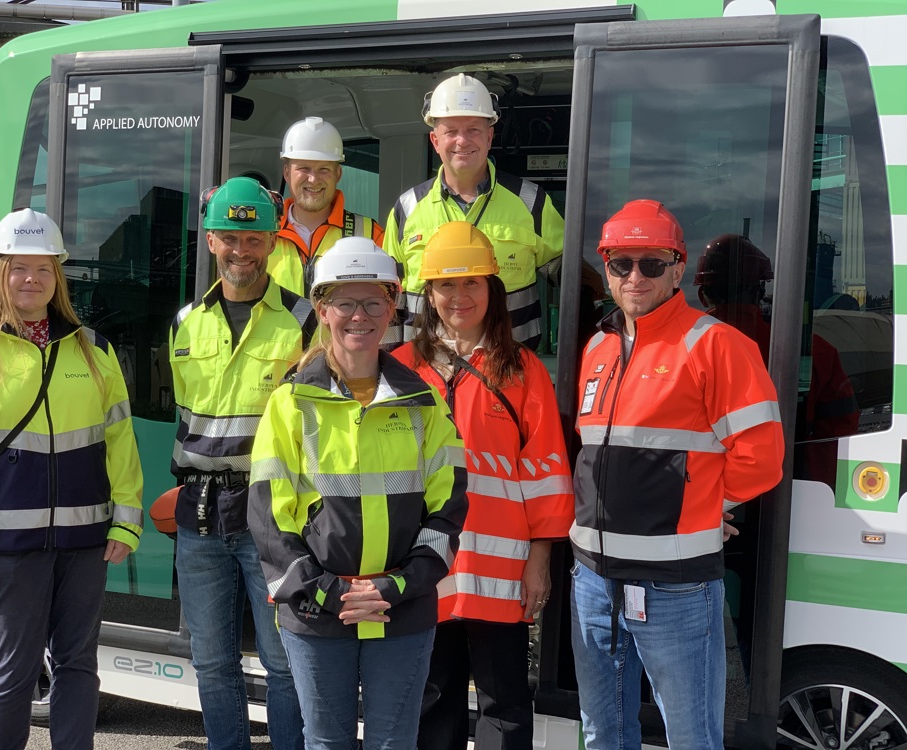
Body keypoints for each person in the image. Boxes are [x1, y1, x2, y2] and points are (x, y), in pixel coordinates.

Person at [0, 208, 144, 750]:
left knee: (78, 666)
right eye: (19, 267)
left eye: (43, 269)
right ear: (0, 270)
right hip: (7, 547)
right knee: (11, 674)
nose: (31, 279)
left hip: (85, 543)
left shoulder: (96, 350)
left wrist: (125, 525)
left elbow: (120, 443)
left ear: (58, 276)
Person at [569, 200, 784, 749]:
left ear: (678, 269)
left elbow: (762, 458)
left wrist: (703, 506)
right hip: (593, 579)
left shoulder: (716, 345)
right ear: (607, 268)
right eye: (621, 264)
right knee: (602, 733)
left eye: (652, 263)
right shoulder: (597, 348)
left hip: (674, 585)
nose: (635, 276)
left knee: (691, 736)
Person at [247, 236, 468, 750]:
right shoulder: (289, 403)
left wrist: (394, 587)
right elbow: (268, 520)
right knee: (327, 743)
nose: (359, 316)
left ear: (392, 306)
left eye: (373, 301)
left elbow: (448, 510)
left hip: (402, 609)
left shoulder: (424, 402)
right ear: (322, 309)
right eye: (345, 302)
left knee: (395, 743)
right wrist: (330, 591)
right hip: (316, 612)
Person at [392, 221, 574, 750]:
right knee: (432, 700)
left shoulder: (523, 371)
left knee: (506, 706)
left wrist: (541, 557)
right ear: (428, 293)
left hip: (500, 572)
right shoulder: (401, 369)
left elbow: (545, 472)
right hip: (423, 567)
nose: (459, 296)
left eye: (473, 282)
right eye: (446, 284)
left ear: (493, 289)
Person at [170, 177, 313, 750]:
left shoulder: (303, 319)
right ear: (210, 241)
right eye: (230, 238)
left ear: (272, 243)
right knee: (211, 664)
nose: (241, 252)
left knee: (284, 664)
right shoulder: (185, 322)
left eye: (253, 239)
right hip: (198, 516)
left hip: (269, 514)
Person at [383, 73, 564, 349]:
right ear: (435, 140)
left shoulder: (531, 203)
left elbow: (575, 284)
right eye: (451, 131)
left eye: (473, 130)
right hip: (425, 375)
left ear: (489, 136)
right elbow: (388, 299)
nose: (462, 141)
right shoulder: (407, 209)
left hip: (508, 370)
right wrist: (391, 373)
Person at [694, 233, 858, 482]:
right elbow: (838, 433)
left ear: (703, 294)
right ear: (760, 289)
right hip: (786, 491)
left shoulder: (673, 350)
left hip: (697, 491)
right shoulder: (815, 349)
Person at [270, 116, 386, 297]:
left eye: (323, 169)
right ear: (286, 173)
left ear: (338, 174)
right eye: (303, 168)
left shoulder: (371, 235)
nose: (313, 179)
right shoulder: (263, 232)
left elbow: (385, 303)